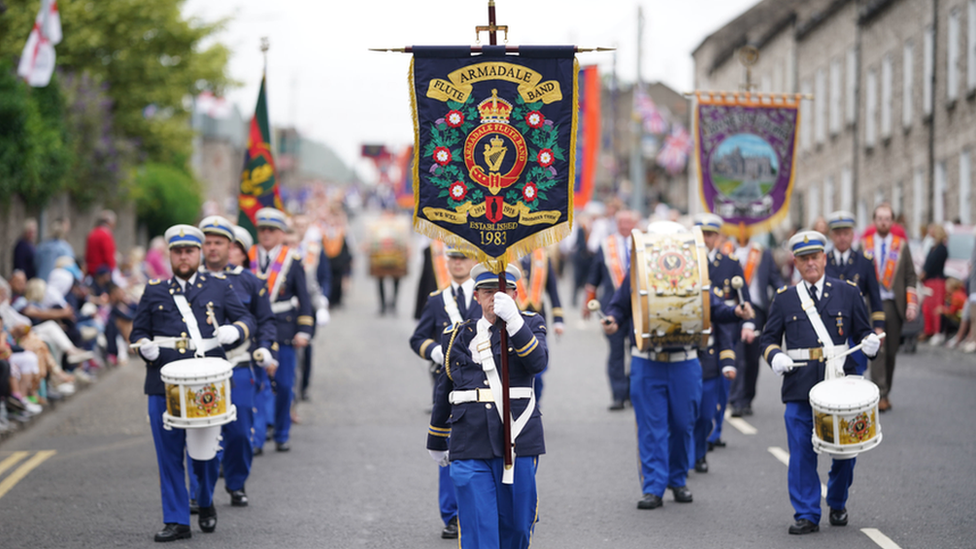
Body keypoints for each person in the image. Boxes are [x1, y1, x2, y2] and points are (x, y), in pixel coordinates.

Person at [602, 221, 753, 509]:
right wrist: (612, 320)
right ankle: (654, 487)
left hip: (685, 361)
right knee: (652, 427)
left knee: (685, 424)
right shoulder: (639, 270)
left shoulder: (694, 271)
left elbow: (713, 306)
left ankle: (678, 478)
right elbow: (620, 305)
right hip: (647, 362)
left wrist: (735, 311)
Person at [129, 224, 256, 542]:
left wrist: (236, 331)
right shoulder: (154, 288)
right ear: (169, 254)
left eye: (189, 251)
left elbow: (247, 319)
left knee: (206, 453)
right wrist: (145, 347)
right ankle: (176, 519)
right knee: (168, 454)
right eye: (177, 251)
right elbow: (138, 331)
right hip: (164, 380)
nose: (183, 257)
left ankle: (205, 498)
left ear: (199, 254)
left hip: (205, 381)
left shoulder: (219, 286)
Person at [759, 230, 880, 535]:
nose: (810, 263)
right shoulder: (785, 300)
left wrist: (869, 343)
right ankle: (807, 513)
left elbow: (864, 332)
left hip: (841, 386)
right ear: (795, 263)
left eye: (815, 257)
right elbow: (769, 339)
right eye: (804, 259)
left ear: (824, 258)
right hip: (800, 386)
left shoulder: (848, 292)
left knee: (845, 453)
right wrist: (775, 357)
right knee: (801, 452)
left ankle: (837, 501)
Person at [427, 263, 547, 548]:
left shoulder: (530, 325)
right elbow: (446, 388)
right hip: (470, 440)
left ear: (515, 294)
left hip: (517, 441)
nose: (495, 298)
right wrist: (437, 437)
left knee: (517, 526)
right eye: (488, 291)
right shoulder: (458, 335)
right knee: (479, 530)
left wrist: (514, 323)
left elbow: (537, 363)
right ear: (477, 296)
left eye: (503, 291)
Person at [195, 216, 277, 507]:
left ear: (231, 246)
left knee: (240, 430)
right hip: (201, 367)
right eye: (208, 242)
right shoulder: (188, 281)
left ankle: (236, 483)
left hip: (239, 364)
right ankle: (199, 492)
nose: (213, 248)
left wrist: (266, 348)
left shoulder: (249, 281)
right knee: (200, 431)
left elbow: (266, 320)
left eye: (219, 242)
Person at [409, 247, 480, 539]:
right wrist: (435, 351)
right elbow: (417, 338)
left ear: (474, 261)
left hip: (483, 383)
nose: (459, 262)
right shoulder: (438, 301)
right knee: (448, 447)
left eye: (464, 258)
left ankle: (478, 511)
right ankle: (452, 516)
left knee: (483, 450)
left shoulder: (487, 296)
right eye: (454, 258)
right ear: (447, 262)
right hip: (449, 384)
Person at [248, 208, 313, 452]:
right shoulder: (248, 256)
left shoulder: (292, 259)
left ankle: (282, 433)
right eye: (262, 229)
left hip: (284, 328)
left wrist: (304, 329)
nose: (266, 234)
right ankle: (258, 434)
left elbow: (303, 297)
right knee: (259, 383)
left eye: (271, 230)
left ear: (280, 233)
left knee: (285, 384)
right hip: (255, 329)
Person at [695, 213, 752, 451]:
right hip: (700, 327)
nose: (707, 239)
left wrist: (748, 323)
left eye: (710, 234)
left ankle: (714, 432)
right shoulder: (689, 262)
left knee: (722, 382)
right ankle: (701, 432)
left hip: (726, 328)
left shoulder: (730, 262)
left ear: (718, 237)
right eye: (702, 234)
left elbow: (743, 296)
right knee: (701, 382)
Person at [862, 204, 917, 412]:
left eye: (887, 218)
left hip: (894, 303)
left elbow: (911, 275)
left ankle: (887, 389)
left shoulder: (901, 245)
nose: (883, 221)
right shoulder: (864, 245)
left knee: (892, 350)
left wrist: (912, 303)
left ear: (892, 221)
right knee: (878, 348)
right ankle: (880, 393)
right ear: (874, 220)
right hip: (871, 304)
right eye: (879, 218)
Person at [584, 210, 638, 410]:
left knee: (637, 350)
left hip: (637, 309)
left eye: (628, 223)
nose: (624, 227)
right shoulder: (607, 245)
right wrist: (587, 302)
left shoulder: (642, 244)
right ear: (616, 224)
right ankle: (618, 394)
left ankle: (633, 392)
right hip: (612, 308)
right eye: (621, 223)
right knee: (615, 352)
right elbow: (594, 275)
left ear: (634, 224)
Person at [729, 235, 785, 417]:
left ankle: (747, 398)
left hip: (757, 310)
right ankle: (736, 399)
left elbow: (774, 279)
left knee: (753, 357)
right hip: (732, 310)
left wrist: (787, 293)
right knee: (737, 355)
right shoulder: (727, 251)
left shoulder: (762, 253)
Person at [824, 211, 886, 375]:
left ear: (852, 235)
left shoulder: (864, 261)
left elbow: (874, 295)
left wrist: (878, 326)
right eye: (838, 234)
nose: (842, 238)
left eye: (846, 233)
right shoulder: (823, 262)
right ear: (831, 235)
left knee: (856, 374)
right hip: (829, 329)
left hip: (856, 328)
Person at [516, 247, 564, 401]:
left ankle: (535, 405)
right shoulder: (505, 254)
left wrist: (558, 319)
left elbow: (552, 289)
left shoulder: (542, 257)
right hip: (511, 321)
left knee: (537, 369)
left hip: (537, 321)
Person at [919, 224, 948, 345]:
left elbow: (933, 264)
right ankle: (928, 330)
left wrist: (924, 273)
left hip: (937, 281)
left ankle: (938, 331)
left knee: (937, 307)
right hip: (929, 281)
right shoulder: (932, 247)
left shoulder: (942, 248)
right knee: (927, 307)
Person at [35, 218, 74, 282]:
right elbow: (70, 266)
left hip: (41, 281)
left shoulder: (42, 246)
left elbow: (36, 263)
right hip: (56, 282)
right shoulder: (65, 248)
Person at [85, 210, 117, 276]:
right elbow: (108, 256)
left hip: (91, 270)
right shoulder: (105, 234)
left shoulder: (92, 233)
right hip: (102, 272)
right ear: (109, 223)